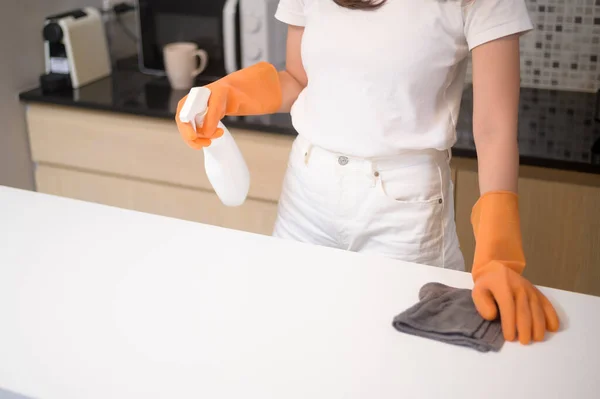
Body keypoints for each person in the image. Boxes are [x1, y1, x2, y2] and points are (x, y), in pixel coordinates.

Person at [175, 0, 560, 345]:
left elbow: (493, 129)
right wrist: (226, 93)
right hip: (306, 197)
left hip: (405, 213)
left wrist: (498, 255)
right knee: (290, 340)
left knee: (403, 358)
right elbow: (298, 79)